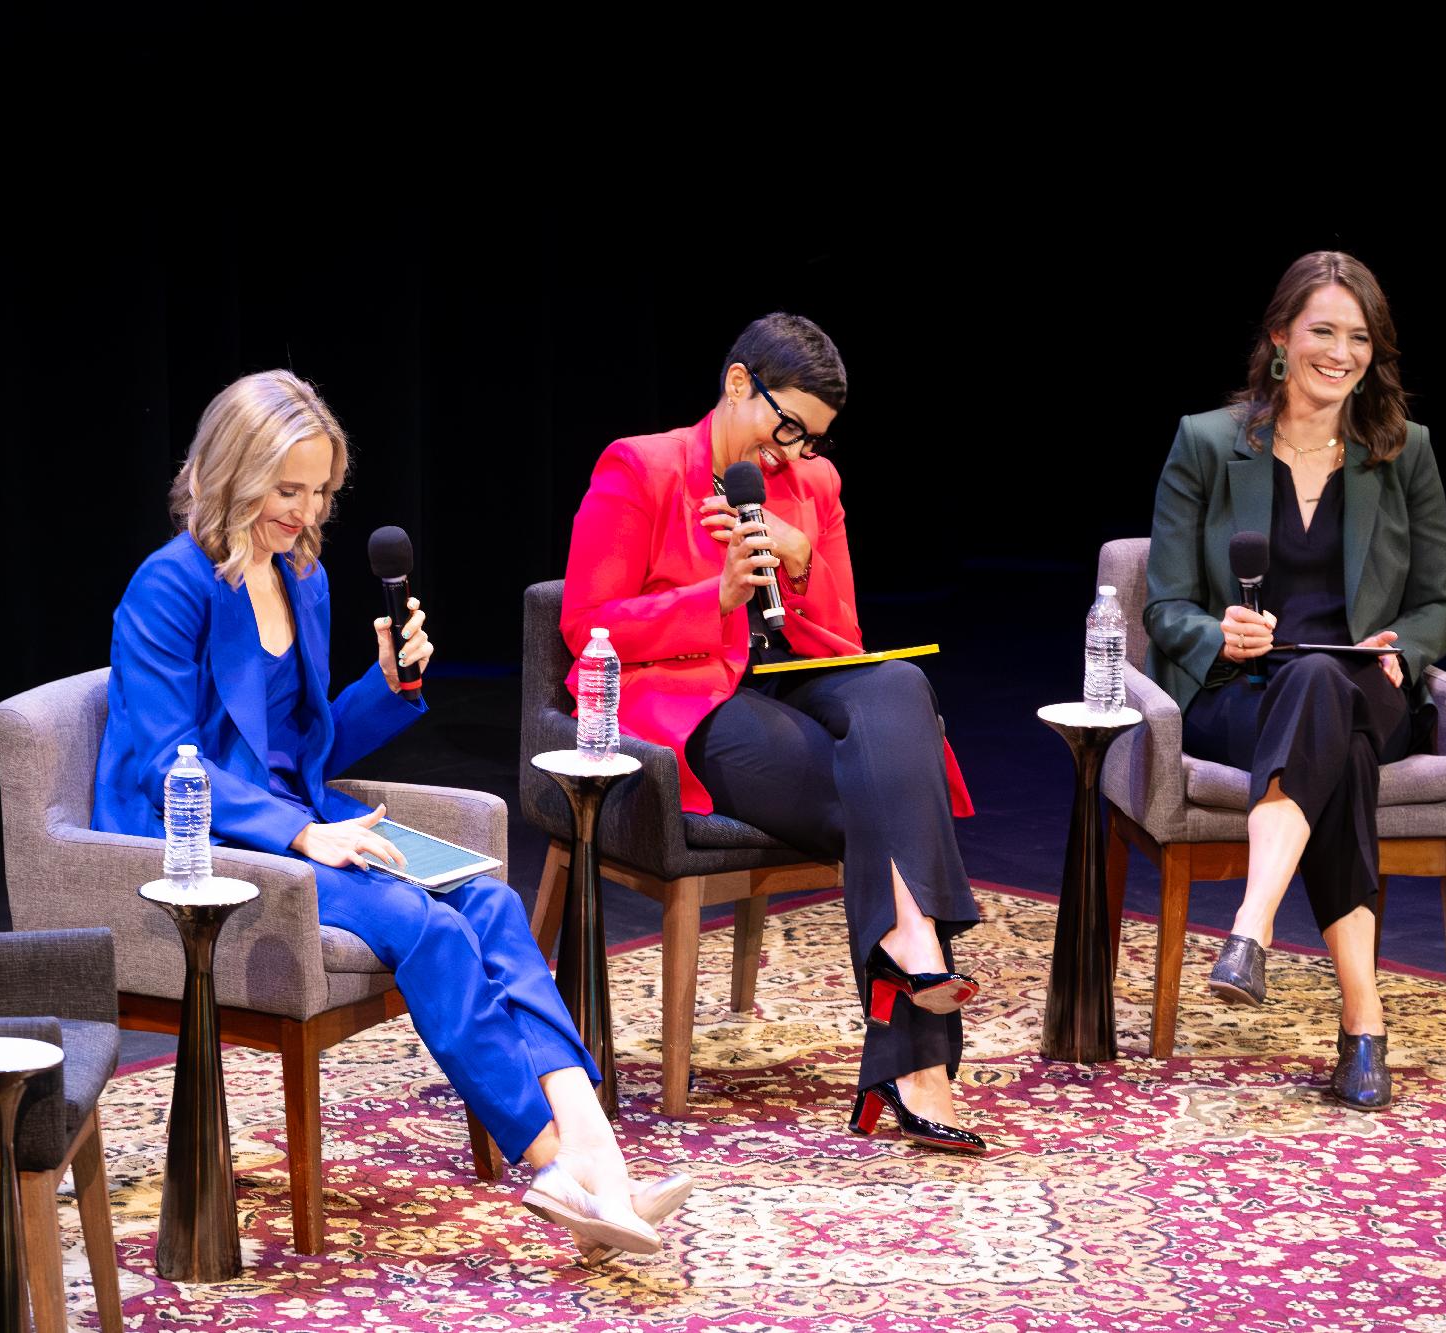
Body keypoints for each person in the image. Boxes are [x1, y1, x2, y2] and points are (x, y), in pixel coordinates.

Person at [92, 370, 689, 1260]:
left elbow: (307, 749)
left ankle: (598, 1155)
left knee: (488, 900)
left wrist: (389, 685)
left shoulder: (302, 576)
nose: (305, 512)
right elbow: (165, 760)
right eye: (286, 489)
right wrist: (302, 832)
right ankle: (557, 1164)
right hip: (195, 847)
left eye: (319, 492)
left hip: (296, 819)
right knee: (425, 925)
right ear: (232, 471)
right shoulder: (170, 586)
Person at [562, 314, 986, 1152]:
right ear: (737, 384)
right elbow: (586, 625)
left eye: (812, 438)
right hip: (692, 695)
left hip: (794, 678)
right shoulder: (641, 467)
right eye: (787, 426)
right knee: (890, 793)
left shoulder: (813, 484)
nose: (794, 452)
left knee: (901, 684)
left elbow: (843, 636)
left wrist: (800, 556)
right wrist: (712, 597)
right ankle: (920, 1044)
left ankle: (908, 956)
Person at [1143, 252, 1446, 1109]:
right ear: (1281, 337)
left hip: (1369, 686)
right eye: (1323, 331)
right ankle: (1363, 1021)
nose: (1341, 353)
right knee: (1335, 746)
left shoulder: (1404, 451)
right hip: (1244, 694)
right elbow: (1165, 604)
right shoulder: (1208, 443)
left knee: (1326, 679)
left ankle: (1252, 923)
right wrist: (1219, 634)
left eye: (1359, 337)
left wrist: (1406, 648)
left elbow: (1441, 603)